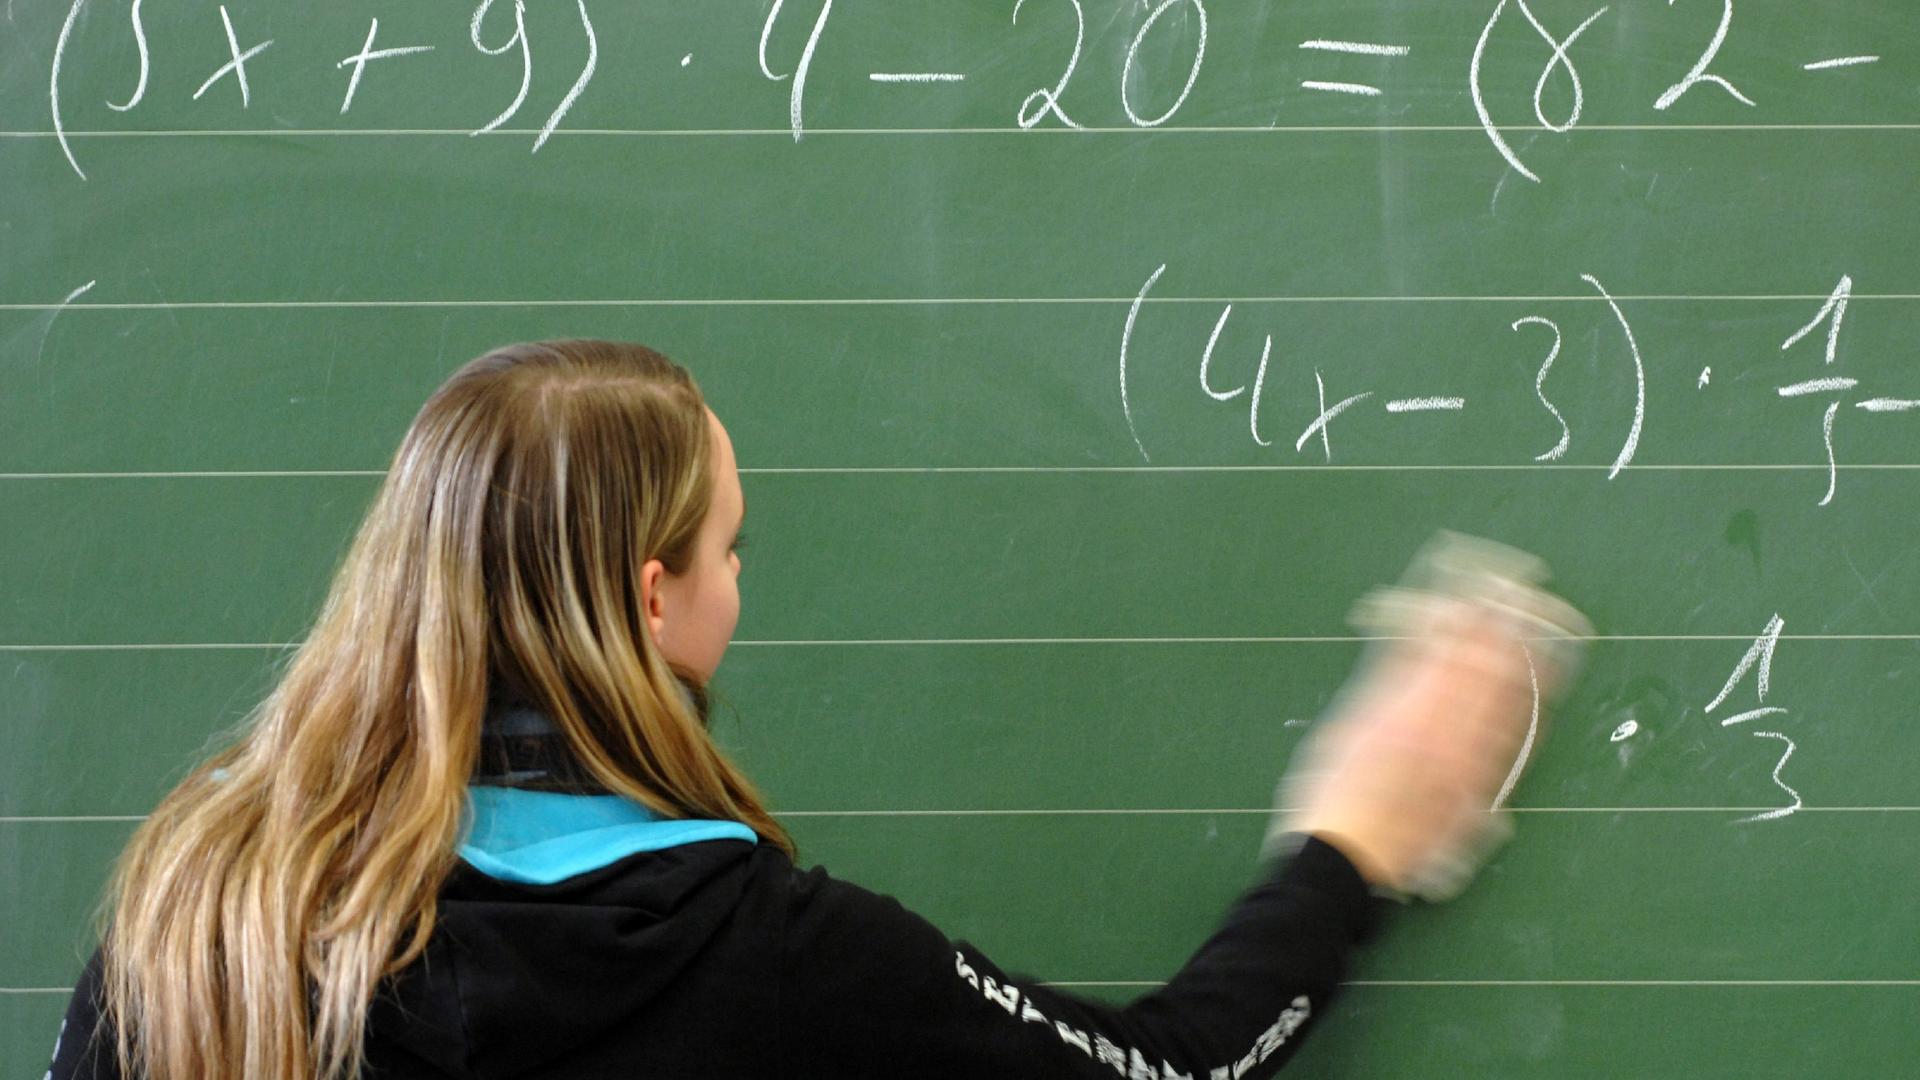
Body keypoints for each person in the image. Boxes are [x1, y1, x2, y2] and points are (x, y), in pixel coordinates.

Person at [46, 340, 1585, 1080]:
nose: (737, 588)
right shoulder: (751, 947)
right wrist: (1354, 842)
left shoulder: (201, 911)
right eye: (731, 547)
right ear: (654, 599)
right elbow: (1170, 1076)